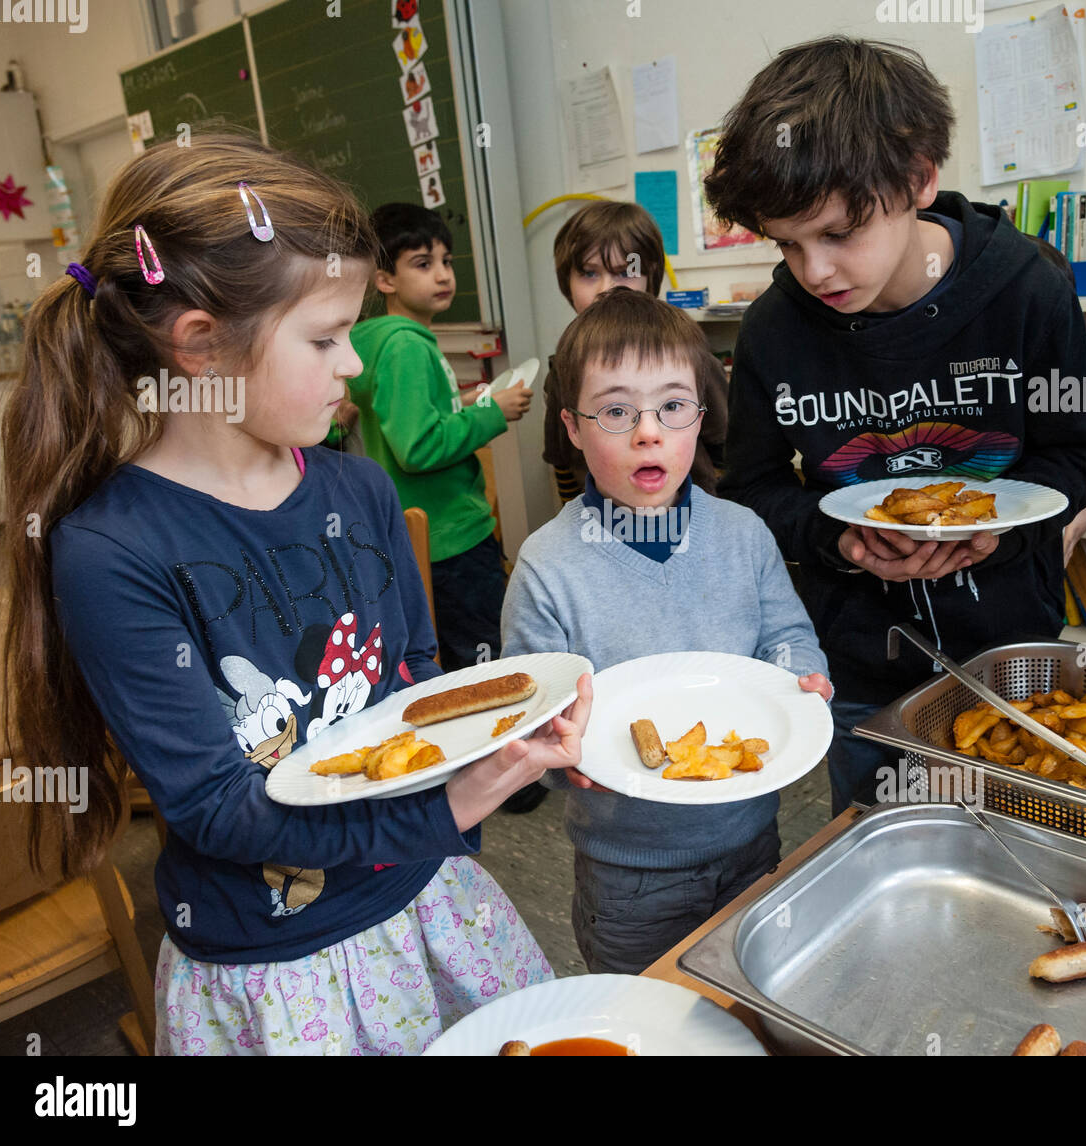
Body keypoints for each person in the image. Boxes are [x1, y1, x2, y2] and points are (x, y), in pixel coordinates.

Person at [3, 135, 592, 1056]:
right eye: (324, 339)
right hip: (283, 963)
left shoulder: (358, 491)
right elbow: (214, 808)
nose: (353, 364)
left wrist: (506, 740)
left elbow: (415, 677)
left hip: (425, 898)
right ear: (200, 346)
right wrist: (452, 804)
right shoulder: (112, 552)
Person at [702, 37, 1086, 815]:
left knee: (1020, 854)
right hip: (861, 672)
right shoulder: (771, 332)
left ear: (919, 178)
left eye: (838, 234)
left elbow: (1075, 453)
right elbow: (752, 487)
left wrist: (1006, 531)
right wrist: (839, 539)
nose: (813, 271)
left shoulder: (1030, 289)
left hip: (1009, 658)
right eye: (786, 243)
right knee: (878, 848)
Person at [501, 288, 832, 975]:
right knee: (644, 1016)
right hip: (630, 872)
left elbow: (786, 633)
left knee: (743, 1004)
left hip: (750, 840)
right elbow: (530, 712)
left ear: (700, 418)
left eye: (672, 407)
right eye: (617, 410)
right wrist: (559, 757)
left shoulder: (743, 534)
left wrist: (802, 672)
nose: (648, 431)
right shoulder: (548, 566)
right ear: (571, 426)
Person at [349, 203, 531, 673]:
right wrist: (493, 414)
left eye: (446, 261)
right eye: (422, 264)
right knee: (482, 656)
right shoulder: (406, 346)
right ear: (385, 280)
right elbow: (419, 447)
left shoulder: (382, 340)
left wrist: (467, 402)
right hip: (451, 535)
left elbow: (410, 420)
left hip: (428, 534)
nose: (443, 275)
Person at [541, 199, 726, 503]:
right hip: (600, 529)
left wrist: (722, 516)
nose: (605, 287)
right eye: (589, 273)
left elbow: (726, 450)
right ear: (567, 283)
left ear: (650, 276)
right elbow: (562, 462)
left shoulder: (690, 358)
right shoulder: (562, 371)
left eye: (624, 271)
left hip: (693, 523)